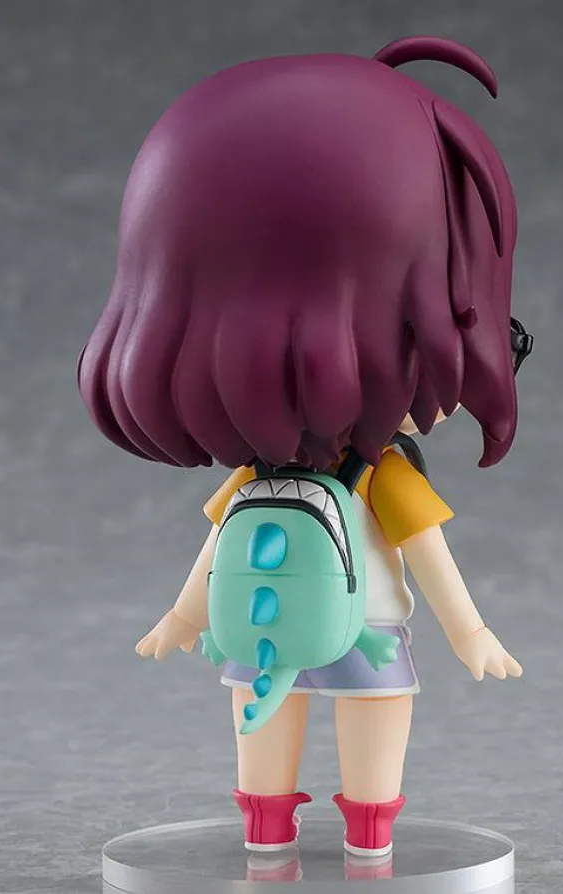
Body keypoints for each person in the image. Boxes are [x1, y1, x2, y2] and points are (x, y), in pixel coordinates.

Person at [79, 35, 531, 857]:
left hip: (277, 630)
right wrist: (469, 632)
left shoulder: (283, 475)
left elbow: (229, 542)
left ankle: (323, 833)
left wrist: (184, 616)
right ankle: (331, 833)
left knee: (291, 722)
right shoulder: (376, 475)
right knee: (364, 718)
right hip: (352, 629)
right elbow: (424, 558)